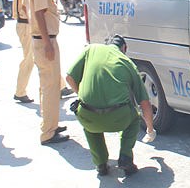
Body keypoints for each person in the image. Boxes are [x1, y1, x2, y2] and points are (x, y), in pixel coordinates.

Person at [66, 35, 156, 176]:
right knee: (135, 118)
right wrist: (150, 129)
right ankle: (125, 157)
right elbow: (144, 103)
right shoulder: (127, 63)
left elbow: (69, 77)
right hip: (117, 118)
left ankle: (100, 164)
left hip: (89, 116)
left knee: (90, 126)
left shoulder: (91, 49)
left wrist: (81, 96)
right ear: (124, 48)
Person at [27, 0, 69, 145]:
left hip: (42, 38)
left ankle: (50, 124)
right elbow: (39, 13)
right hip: (45, 39)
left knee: (46, 86)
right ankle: (48, 132)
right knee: (51, 87)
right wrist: (48, 44)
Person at [12, 0, 39, 104]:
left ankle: (60, 86)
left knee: (44, 55)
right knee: (29, 59)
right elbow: (25, 4)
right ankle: (20, 91)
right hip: (26, 23)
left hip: (24, 23)